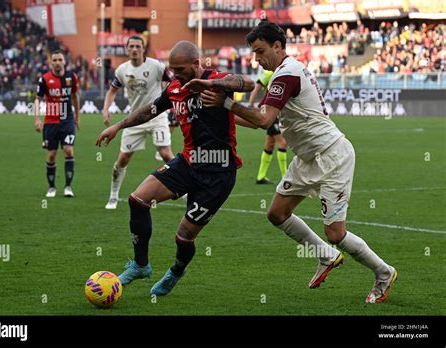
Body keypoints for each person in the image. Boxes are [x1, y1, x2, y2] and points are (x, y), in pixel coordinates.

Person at [186, 21, 397, 303]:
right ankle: (326, 256)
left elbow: (263, 121)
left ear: (277, 46)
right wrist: (208, 112)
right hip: (308, 158)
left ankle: (384, 272)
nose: (257, 59)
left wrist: (225, 104)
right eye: (253, 53)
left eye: (260, 52)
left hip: (332, 156)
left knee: (335, 232)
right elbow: (257, 117)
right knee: (276, 213)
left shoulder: (286, 75)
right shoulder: (283, 74)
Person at [96, 40, 254, 296]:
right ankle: (140, 265)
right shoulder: (175, 88)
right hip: (189, 162)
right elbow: (150, 110)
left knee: (183, 236)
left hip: (219, 172)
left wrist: (211, 84)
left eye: (180, 69)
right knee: (137, 200)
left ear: (196, 63)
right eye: (172, 69)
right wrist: (118, 126)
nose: (175, 74)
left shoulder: (217, 80)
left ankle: (176, 271)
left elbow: (248, 83)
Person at [102, 35, 175, 209]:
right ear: (127, 49)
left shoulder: (156, 66)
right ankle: (113, 195)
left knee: (166, 154)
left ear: (143, 49)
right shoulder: (122, 70)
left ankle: (184, 191)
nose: (134, 49)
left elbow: (173, 82)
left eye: (138, 46)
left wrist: (172, 105)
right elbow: (112, 91)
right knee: (123, 159)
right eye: (131, 46)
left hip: (157, 116)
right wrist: (106, 109)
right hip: (134, 119)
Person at [34, 50, 80, 198]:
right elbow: (37, 99)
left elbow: (74, 96)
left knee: (68, 150)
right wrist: (37, 118)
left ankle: (68, 186)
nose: (57, 62)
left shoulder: (72, 77)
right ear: (51, 62)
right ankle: (52, 187)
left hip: (67, 120)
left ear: (64, 61)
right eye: (54, 60)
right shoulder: (45, 79)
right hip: (51, 122)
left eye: (60, 59)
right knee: (52, 154)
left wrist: (77, 118)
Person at [248, 69, 288, 184]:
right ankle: (285, 177)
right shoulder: (269, 73)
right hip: (270, 112)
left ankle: (261, 177)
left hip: (275, 112)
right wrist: (251, 105)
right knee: (283, 143)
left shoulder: (282, 74)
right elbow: (257, 87)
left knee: (269, 145)